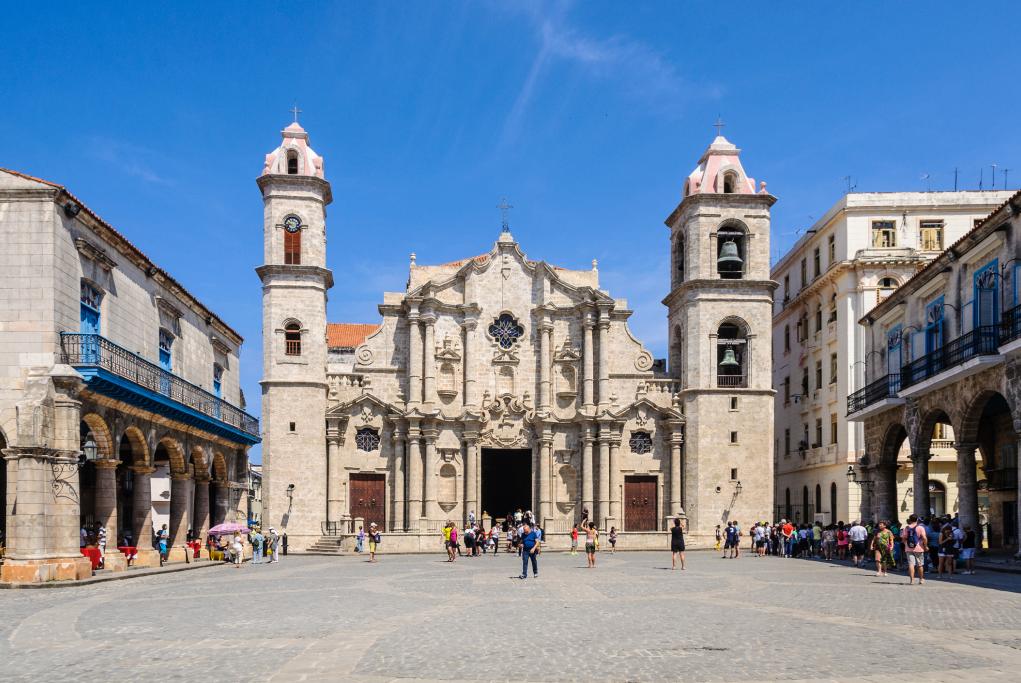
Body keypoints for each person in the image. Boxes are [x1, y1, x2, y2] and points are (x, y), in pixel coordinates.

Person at [901, 514, 927, 585]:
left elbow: (903, 538)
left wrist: (905, 544)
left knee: (911, 564)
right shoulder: (920, 528)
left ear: (909, 519)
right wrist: (926, 546)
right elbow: (924, 538)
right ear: (917, 520)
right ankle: (921, 579)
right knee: (920, 564)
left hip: (908, 548)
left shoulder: (906, 528)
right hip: (919, 548)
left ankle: (912, 580)